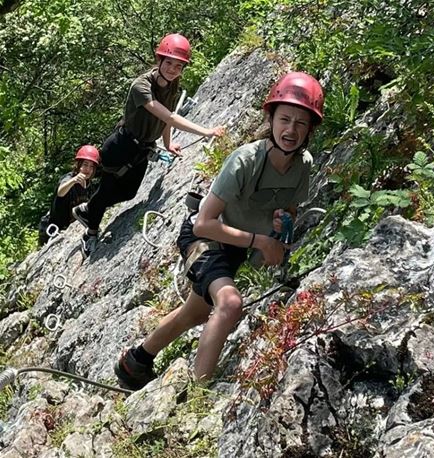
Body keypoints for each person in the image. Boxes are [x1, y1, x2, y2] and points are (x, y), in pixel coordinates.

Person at [114, 71, 325, 390]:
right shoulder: (245, 161)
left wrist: (281, 225)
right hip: (205, 237)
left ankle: (135, 362)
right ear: (271, 119)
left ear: (310, 128)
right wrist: (260, 241)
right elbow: (203, 222)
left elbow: (288, 207)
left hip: (237, 243)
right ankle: (198, 399)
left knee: (196, 312)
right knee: (229, 304)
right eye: (284, 119)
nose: (290, 130)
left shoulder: (303, 165)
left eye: (300, 122)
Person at [72, 33, 225, 257]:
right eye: (169, 63)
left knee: (130, 192)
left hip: (143, 148)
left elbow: (165, 119)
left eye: (179, 65)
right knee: (106, 192)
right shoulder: (141, 86)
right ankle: (90, 232)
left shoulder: (172, 86)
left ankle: (88, 209)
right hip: (121, 145)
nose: (173, 69)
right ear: (159, 60)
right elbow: (169, 116)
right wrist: (207, 131)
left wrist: (168, 143)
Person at [38, 145, 100, 245]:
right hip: (53, 231)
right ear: (79, 165)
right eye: (85, 164)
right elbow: (60, 192)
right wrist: (73, 181)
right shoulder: (69, 178)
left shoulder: (89, 186)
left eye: (91, 166)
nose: (88, 169)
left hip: (71, 229)